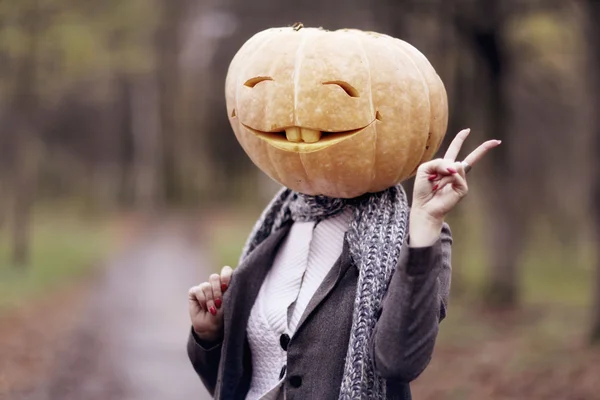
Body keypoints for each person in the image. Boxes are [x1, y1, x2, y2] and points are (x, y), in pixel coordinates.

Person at [187, 129, 500, 400]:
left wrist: (426, 221)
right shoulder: (277, 226)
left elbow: (400, 361)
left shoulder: (416, 235)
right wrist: (210, 336)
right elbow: (231, 381)